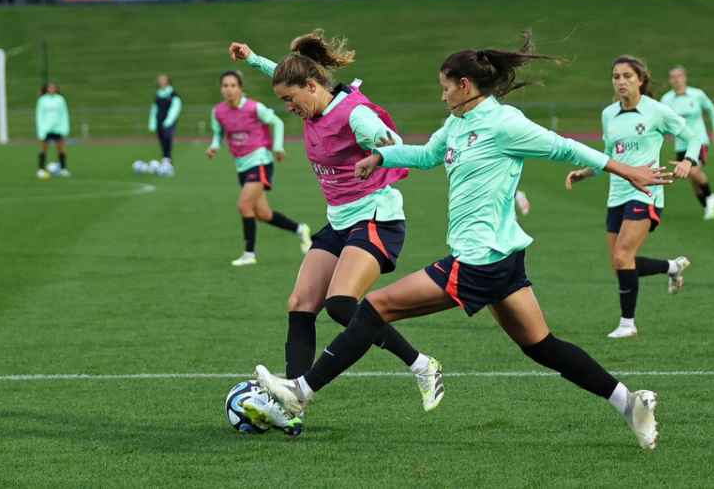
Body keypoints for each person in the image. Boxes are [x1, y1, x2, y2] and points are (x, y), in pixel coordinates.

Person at [250, 36, 672, 450]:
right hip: (500, 259)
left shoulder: (504, 123)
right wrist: (382, 157)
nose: (442, 95)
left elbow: (562, 147)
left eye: (446, 87)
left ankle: (301, 391)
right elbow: (429, 155)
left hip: (479, 260)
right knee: (541, 346)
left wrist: (626, 170)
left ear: (465, 86)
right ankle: (628, 402)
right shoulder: (457, 123)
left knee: (375, 309)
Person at [229, 31, 442, 434]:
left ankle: (422, 365)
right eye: (283, 102)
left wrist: (380, 148)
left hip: (378, 218)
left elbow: (392, 141)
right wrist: (253, 58)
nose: (289, 108)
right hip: (342, 220)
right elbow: (283, 72)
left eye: (291, 100)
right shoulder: (310, 96)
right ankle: (292, 406)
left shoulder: (354, 114)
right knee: (300, 304)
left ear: (312, 86)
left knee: (341, 305)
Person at [566, 56, 700, 339]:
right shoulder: (608, 114)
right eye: (616, 77)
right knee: (620, 264)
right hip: (616, 195)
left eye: (627, 76)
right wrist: (586, 173)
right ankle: (672, 266)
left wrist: (688, 161)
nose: (621, 81)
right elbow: (611, 157)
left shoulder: (656, 111)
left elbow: (694, 137)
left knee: (623, 255)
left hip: (647, 193)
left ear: (640, 80)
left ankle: (628, 324)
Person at [207, 69, 311, 267]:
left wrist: (278, 147)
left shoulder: (255, 108)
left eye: (233, 85)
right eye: (225, 86)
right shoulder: (218, 111)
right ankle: (300, 229)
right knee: (263, 213)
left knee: (244, 205)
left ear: (240, 88)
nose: (229, 90)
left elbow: (277, 122)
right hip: (241, 165)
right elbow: (218, 132)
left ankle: (249, 254)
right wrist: (214, 146)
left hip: (260, 161)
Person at [659, 66, 714, 220]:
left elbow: (712, 110)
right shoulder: (666, 99)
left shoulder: (697, 94)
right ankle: (707, 207)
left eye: (679, 76)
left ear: (685, 77)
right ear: (670, 80)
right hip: (681, 145)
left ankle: (711, 197)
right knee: (692, 181)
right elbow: (661, 120)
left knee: (693, 171)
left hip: (699, 141)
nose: (676, 79)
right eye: (673, 77)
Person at [148, 74, 183, 173]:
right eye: (160, 80)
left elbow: (176, 107)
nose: (161, 82)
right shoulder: (158, 94)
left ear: (168, 81)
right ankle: (165, 159)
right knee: (161, 140)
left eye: (163, 80)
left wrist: (168, 121)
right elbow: (154, 109)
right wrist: (152, 122)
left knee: (168, 138)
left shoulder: (173, 94)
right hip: (159, 121)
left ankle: (168, 160)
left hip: (168, 122)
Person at [35, 81, 70, 179]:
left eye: (53, 88)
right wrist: (40, 129)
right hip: (46, 129)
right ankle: (41, 170)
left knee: (61, 149)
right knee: (43, 149)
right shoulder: (42, 100)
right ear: (46, 89)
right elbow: (39, 115)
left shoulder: (60, 99)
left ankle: (63, 169)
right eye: (49, 88)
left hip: (58, 128)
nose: (51, 89)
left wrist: (65, 127)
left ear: (56, 89)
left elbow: (64, 114)